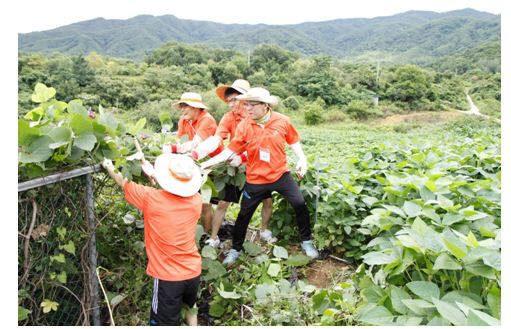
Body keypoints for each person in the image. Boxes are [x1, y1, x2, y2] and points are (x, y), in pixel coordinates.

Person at [200, 87, 319, 265]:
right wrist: (204, 164)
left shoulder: (282, 121)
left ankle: (306, 241)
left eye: (252, 105)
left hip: (280, 174)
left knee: (299, 204)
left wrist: (302, 159)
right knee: (244, 215)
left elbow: (293, 140)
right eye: (246, 104)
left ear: (265, 106)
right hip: (255, 178)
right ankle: (235, 249)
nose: (247, 109)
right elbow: (229, 151)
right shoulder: (244, 125)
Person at [101, 152, 204, 326]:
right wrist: (153, 174)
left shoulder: (151, 198)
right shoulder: (196, 201)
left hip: (168, 278)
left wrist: (108, 166)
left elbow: (123, 182)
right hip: (193, 271)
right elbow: (172, 192)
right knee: (190, 307)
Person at [192, 80, 274, 248]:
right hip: (235, 165)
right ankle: (213, 238)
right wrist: (199, 152)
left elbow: (265, 143)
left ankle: (264, 231)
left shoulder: (260, 116)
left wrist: (243, 157)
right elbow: (217, 138)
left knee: (266, 200)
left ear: (246, 99)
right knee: (223, 202)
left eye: (234, 99)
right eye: (229, 101)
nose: (231, 104)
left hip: (259, 166)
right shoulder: (228, 118)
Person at [163, 92, 222, 233]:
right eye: (181, 106)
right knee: (188, 200)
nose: (183, 110)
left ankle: (206, 235)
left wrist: (174, 148)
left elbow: (196, 144)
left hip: (210, 164)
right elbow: (180, 140)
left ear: (196, 107)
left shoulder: (207, 120)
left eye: (186, 106)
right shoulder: (184, 120)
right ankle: (190, 232)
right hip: (192, 163)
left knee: (205, 204)